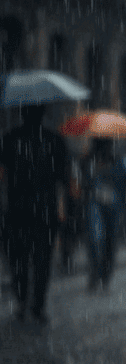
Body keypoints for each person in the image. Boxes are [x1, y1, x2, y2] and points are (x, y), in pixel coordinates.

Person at [0, 104, 71, 322]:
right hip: (43, 212)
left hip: (18, 211)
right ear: (44, 115)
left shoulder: (11, 138)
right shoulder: (54, 140)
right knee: (41, 260)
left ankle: (24, 301)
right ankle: (36, 304)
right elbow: (64, 179)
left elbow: (2, 174)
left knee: (20, 260)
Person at [82, 137, 126, 290]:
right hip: (95, 205)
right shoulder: (88, 161)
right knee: (95, 240)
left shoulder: (117, 162)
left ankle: (103, 274)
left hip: (112, 206)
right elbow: (82, 182)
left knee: (108, 241)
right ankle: (97, 273)